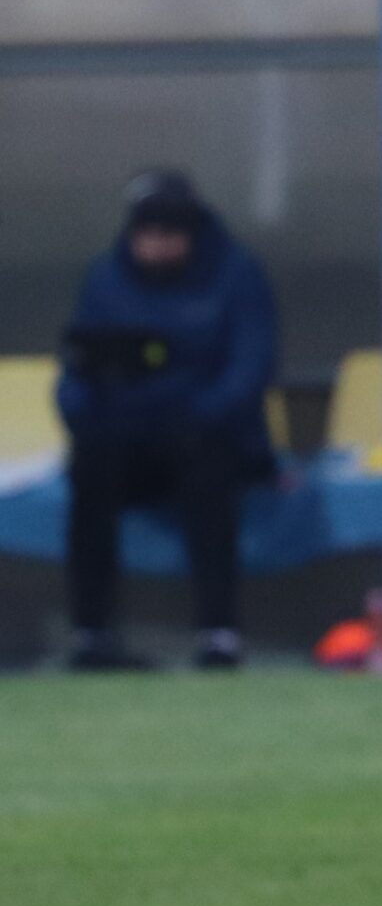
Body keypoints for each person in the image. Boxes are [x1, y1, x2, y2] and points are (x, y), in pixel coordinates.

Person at [57, 171, 277, 671]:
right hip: (125, 437)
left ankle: (219, 634)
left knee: (208, 472)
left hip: (208, 434)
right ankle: (91, 633)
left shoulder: (235, 274)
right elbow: (78, 365)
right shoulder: (106, 278)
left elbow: (251, 367)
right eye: (147, 232)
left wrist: (199, 415)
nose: (157, 244)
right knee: (90, 469)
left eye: (168, 232)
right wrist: (81, 415)